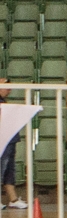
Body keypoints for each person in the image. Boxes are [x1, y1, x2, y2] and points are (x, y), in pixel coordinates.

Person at [0, 77, 22, 210]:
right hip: (2, 139)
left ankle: (13, 199)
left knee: (9, 169)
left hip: (10, 139)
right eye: (6, 87)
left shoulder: (4, 101)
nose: (9, 90)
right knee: (1, 168)